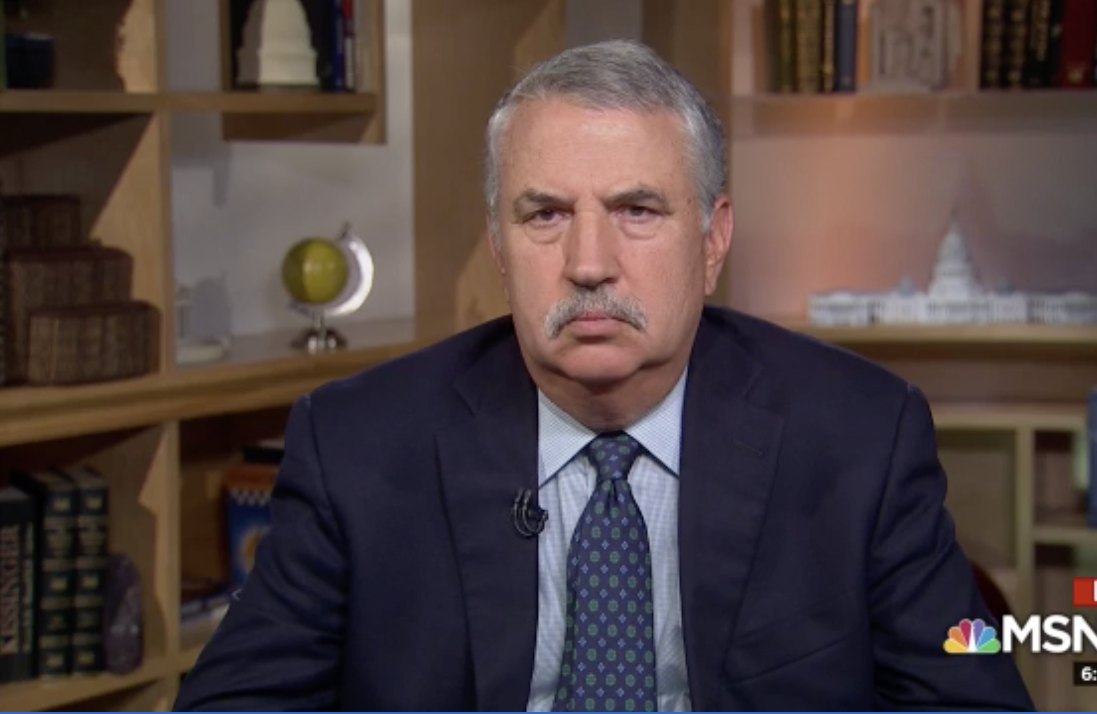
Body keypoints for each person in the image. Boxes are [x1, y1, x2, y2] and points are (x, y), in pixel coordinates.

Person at [173, 39, 1035, 712]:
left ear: (713, 240)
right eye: (545, 214)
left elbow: (974, 691)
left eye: (637, 209)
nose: (589, 263)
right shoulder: (356, 445)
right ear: (499, 245)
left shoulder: (861, 435)